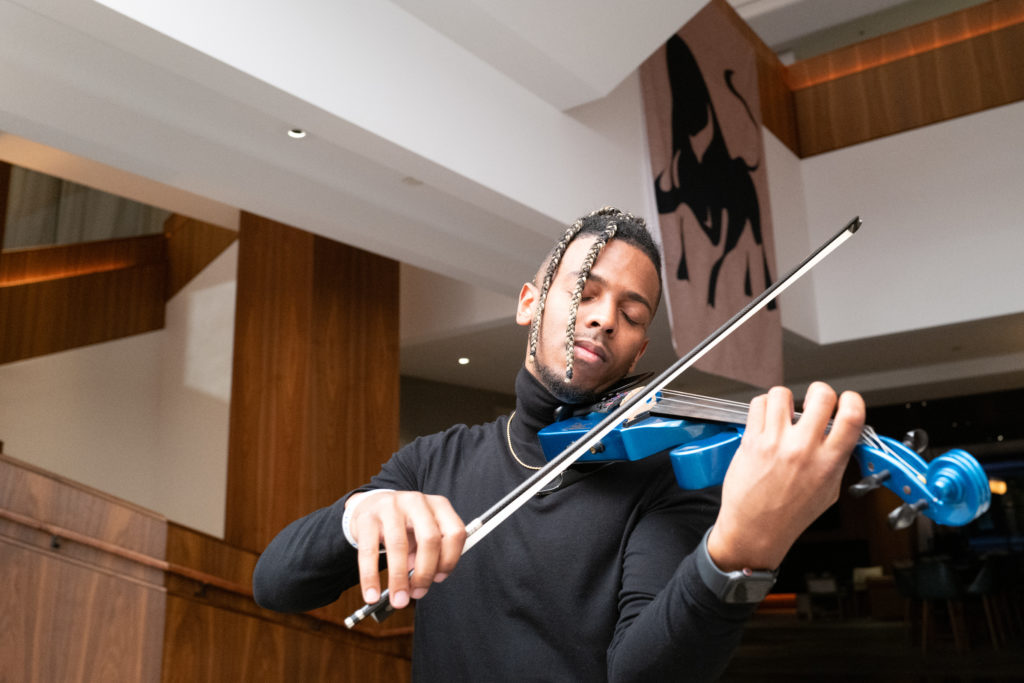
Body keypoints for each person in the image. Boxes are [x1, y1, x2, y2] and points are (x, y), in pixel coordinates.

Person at [252, 207, 865, 681]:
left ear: (639, 351)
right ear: (529, 302)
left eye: (632, 313)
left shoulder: (663, 481)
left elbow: (644, 676)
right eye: (587, 292)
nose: (604, 319)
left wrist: (735, 554)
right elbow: (276, 585)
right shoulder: (434, 461)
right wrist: (359, 514)